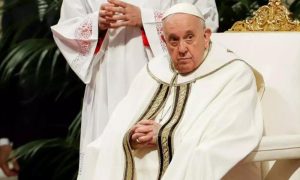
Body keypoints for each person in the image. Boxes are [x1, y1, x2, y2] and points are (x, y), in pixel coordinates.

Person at [78, 3, 264, 180]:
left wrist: (166, 134)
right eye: (173, 40)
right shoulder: (154, 69)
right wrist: (131, 135)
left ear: (206, 36)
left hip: (196, 160)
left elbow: (228, 136)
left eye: (190, 37)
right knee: (99, 149)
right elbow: (121, 122)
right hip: (141, 159)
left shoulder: (233, 73)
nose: (182, 49)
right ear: (163, 40)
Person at [51, 0, 219, 172]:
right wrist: (96, 24)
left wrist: (145, 18)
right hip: (107, 80)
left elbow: (204, 19)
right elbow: (67, 27)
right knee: (107, 155)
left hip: (165, 75)